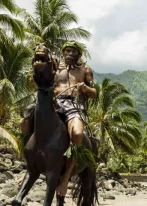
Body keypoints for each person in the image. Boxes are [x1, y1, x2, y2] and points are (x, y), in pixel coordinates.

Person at [20, 42, 97, 197]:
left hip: (74, 105)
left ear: (79, 54)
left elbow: (94, 93)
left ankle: (66, 177)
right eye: (67, 50)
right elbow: (41, 80)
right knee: (24, 123)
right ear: (63, 53)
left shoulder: (85, 70)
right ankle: (29, 166)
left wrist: (85, 88)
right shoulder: (56, 67)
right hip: (53, 103)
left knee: (77, 134)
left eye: (74, 51)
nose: (70, 53)